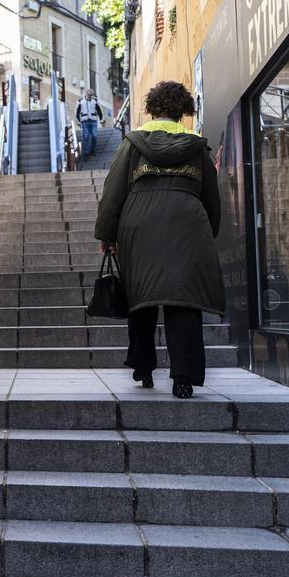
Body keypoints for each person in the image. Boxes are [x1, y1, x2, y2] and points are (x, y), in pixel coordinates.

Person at [94, 81, 225, 399]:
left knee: (141, 296)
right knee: (184, 301)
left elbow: (113, 193)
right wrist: (210, 231)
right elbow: (212, 198)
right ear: (183, 112)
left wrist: (107, 234)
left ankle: (143, 367)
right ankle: (184, 377)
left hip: (139, 227)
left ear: (151, 108)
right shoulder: (197, 147)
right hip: (188, 227)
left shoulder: (132, 144)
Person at [76, 90, 104, 154]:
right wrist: (78, 121)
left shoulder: (95, 101)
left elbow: (99, 110)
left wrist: (101, 119)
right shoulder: (80, 101)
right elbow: (77, 112)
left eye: (91, 95)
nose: (90, 96)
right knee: (86, 136)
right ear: (85, 94)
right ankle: (85, 153)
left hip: (93, 121)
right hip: (84, 121)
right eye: (89, 95)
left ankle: (92, 150)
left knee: (94, 136)